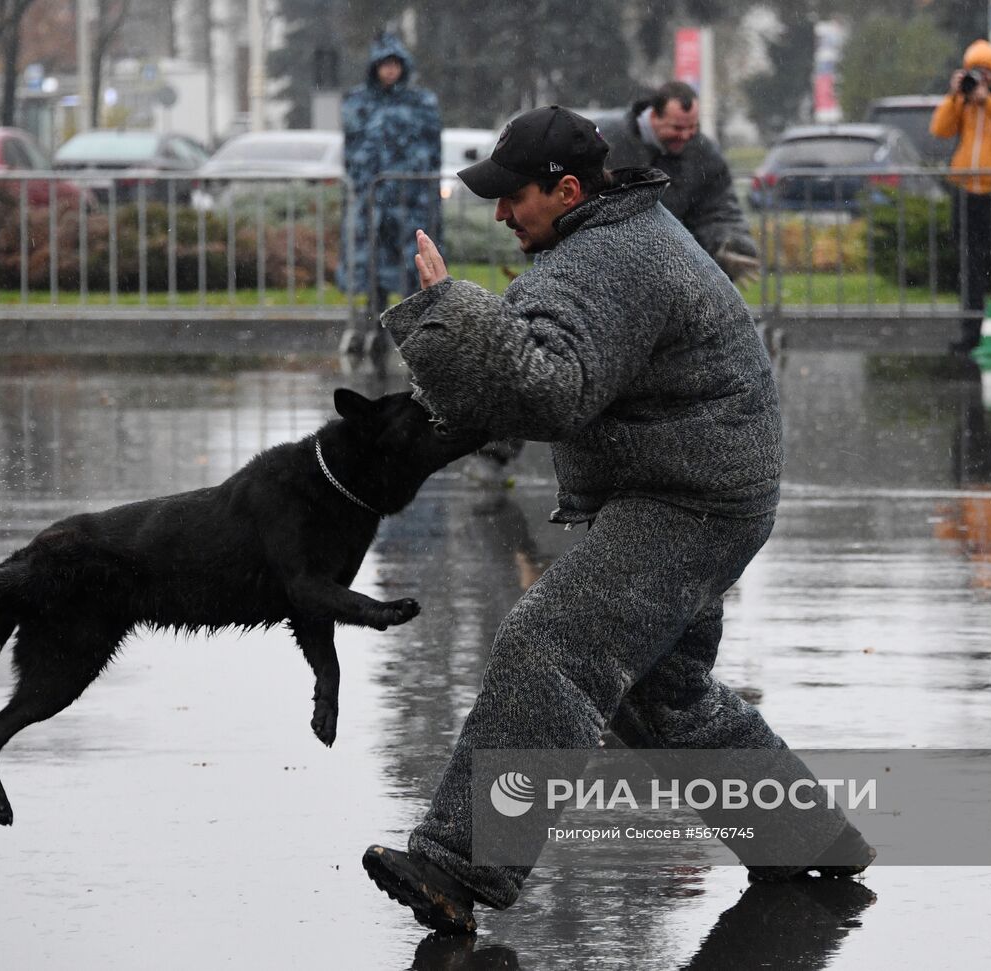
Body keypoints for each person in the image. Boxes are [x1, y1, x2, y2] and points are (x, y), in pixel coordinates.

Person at [361, 106, 873, 934]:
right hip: (703, 484)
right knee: (661, 696)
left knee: (553, 641)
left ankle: (458, 863)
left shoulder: (613, 255)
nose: (499, 213)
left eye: (511, 197)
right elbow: (535, 358)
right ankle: (808, 833)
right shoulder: (605, 238)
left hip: (690, 497)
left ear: (565, 190)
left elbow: (546, 390)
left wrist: (446, 312)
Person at [338, 32, 442, 361]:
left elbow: (430, 149)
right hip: (372, 201)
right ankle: (374, 328)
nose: (390, 71)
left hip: (412, 202)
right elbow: (354, 149)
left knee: (412, 266)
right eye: (384, 65)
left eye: (395, 65)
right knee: (370, 266)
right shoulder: (358, 101)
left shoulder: (421, 102)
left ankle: (415, 335)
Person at [596, 80, 760, 283]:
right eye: (677, 127)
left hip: (669, 273)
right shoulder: (605, 141)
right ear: (654, 115)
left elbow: (717, 209)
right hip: (608, 268)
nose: (685, 136)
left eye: (692, 127)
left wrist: (728, 243)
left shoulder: (703, 153)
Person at [930, 39, 991, 354]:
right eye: (975, 72)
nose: (980, 79)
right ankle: (970, 331)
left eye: (985, 72)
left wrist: (989, 101)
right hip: (968, 193)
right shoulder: (964, 102)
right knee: (970, 264)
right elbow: (940, 129)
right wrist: (954, 96)